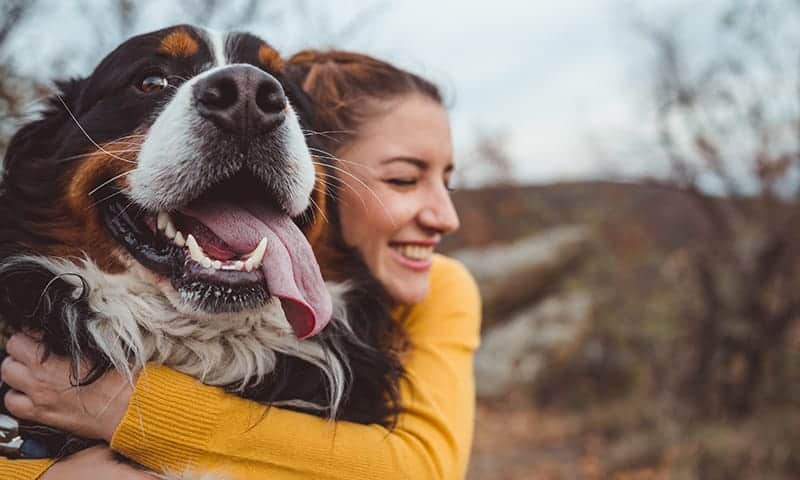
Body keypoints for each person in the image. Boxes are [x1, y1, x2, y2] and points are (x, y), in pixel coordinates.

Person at [0, 50, 481, 480]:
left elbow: (421, 469)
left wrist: (126, 409)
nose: (447, 218)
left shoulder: (441, 286)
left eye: (447, 182)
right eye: (403, 179)